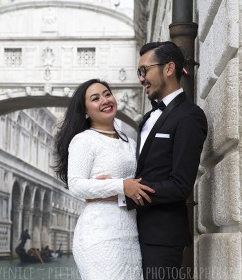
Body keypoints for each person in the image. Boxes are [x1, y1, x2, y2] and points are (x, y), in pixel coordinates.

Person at [54, 79, 155, 280]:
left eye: (107, 94)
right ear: (85, 111)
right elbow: (76, 185)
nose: (105, 100)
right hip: (99, 235)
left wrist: (117, 188)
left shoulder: (130, 142)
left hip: (131, 233)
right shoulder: (84, 140)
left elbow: (137, 185)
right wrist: (120, 185)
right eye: (95, 98)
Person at [127, 41, 208, 280]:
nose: (141, 78)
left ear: (169, 68)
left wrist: (129, 192)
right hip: (132, 232)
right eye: (139, 72)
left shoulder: (190, 117)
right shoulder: (148, 118)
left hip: (162, 239)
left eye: (144, 70)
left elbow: (181, 184)